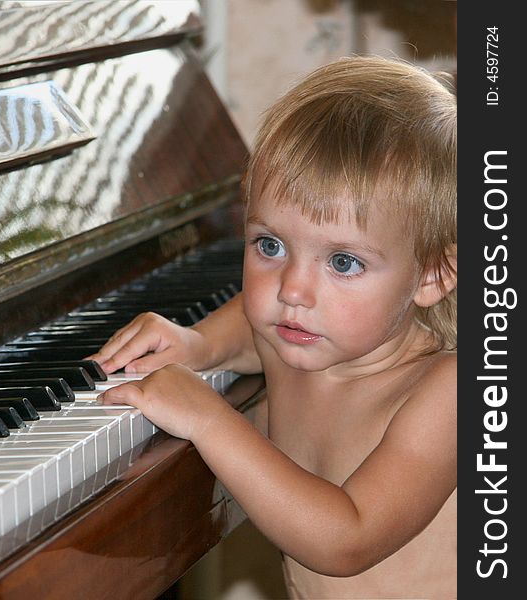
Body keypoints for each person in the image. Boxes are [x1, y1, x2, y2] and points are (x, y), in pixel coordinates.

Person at [90, 55, 457, 599]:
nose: (292, 290)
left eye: (343, 262)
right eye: (270, 245)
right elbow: (252, 318)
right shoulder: (306, 325)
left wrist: (210, 419)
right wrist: (201, 344)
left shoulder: (447, 392)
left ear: (433, 274)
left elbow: (347, 537)